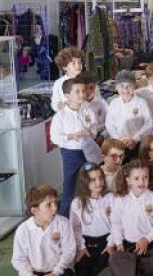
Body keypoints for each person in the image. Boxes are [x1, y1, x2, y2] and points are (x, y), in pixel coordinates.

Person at [50, 78, 99, 217]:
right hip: (71, 154)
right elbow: (54, 137)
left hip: (88, 152)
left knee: (92, 182)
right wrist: (71, 136)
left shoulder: (88, 110)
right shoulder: (60, 116)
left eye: (83, 91)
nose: (81, 94)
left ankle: (92, 216)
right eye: (77, 92)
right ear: (67, 96)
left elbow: (95, 128)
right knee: (70, 185)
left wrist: (90, 133)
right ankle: (64, 217)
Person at [109, 160, 153, 275]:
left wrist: (146, 239)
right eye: (136, 178)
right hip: (127, 245)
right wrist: (119, 243)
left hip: (150, 245)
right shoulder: (121, 199)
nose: (142, 181)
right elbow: (116, 223)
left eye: (145, 177)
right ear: (128, 180)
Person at [12, 185, 76, 276]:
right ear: (34, 211)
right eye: (48, 205)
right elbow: (19, 259)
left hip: (59, 272)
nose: (55, 208)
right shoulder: (23, 230)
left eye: (55, 203)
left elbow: (69, 252)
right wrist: (28, 274)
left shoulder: (63, 223)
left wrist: (56, 272)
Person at [70, 163, 115, 276]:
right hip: (86, 244)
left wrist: (110, 243)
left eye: (100, 178)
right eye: (93, 179)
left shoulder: (110, 198)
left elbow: (117, 223)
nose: (98, 182)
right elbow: (75, 227)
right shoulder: (77, 203)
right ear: (84, 182)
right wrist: (81, 246)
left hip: (107, 242)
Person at [105, 71, 153, 162]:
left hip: (138, 143)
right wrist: (119, 139)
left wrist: (135, 139)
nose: (125, 89)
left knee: (138, 165)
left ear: (134, 87)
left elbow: (149, 122)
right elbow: (109, 124)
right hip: (118, 144)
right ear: (116, 88)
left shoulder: (141, 102)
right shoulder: (113, 103)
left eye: (129, 86)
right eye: (121, 86)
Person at [51, 46, 85, 113]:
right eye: (73, 63)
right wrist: (63, 105)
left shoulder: (87, 80)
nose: (78, 66)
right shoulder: (58, 83)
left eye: (79, 62)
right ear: (64, 67)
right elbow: (55, 104)